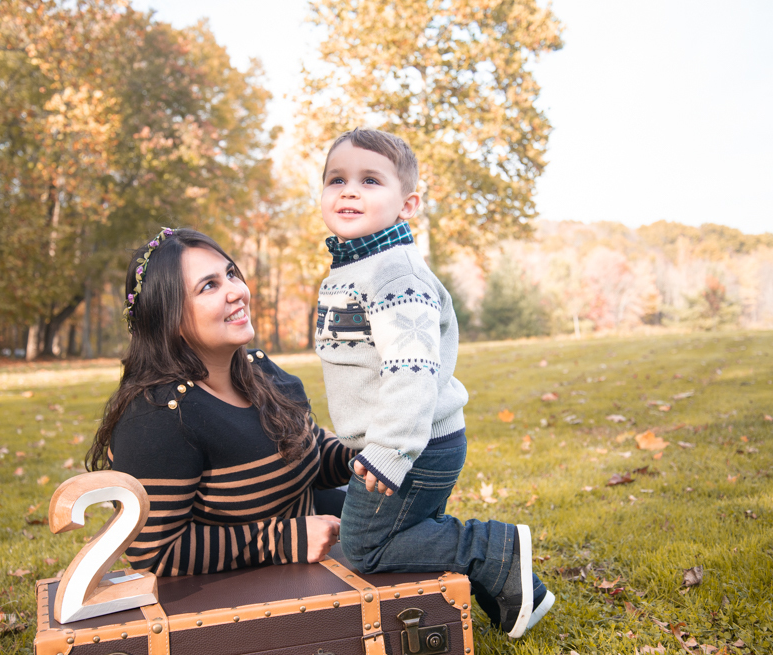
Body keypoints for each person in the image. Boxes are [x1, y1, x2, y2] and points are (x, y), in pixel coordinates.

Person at [315, 128, 554, 638]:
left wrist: (390, 449)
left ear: (407, 204)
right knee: (409, 537)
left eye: (370, 180)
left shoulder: (396, 275)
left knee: (365, 549)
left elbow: (411, 370)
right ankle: (517, 592)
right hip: (403, 443)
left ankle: (491, 549)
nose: (349, 190)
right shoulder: (355, 268)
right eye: (336, 179)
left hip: (411, 445)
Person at [86, 228, 353, 576]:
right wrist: (283, 540)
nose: (236, 291)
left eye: (230, 274)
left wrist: (364, 451)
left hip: (320, 556)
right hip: (246, 597)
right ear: (169, 318)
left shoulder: (259, 370)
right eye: (208, 286)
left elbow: (310, 452)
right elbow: (156, 554)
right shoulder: (158, 418)